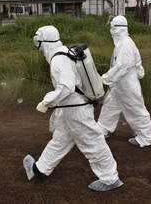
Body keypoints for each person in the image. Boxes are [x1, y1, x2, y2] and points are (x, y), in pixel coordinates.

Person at [23, 25, 123, 192]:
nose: (36, 41)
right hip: (70, 107)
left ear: (44, 41)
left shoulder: (57, 58)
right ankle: (40, 169)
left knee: (92, 141)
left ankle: (110, 178)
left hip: (76, 109)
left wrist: (47, 101)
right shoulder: (63, 51)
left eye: (37, 37)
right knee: (61, 138)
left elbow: (67, 87)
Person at [98, 15, 151, 148]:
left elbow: (122, 67)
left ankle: (146, 138)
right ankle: (101, 130)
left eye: (112, 26)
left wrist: (104, 79)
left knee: (136, 110)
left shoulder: (126, 44)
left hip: (127, 86)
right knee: (109, 107)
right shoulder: (121, 43)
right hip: (119, 85)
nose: (110, 29)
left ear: (119, 29)